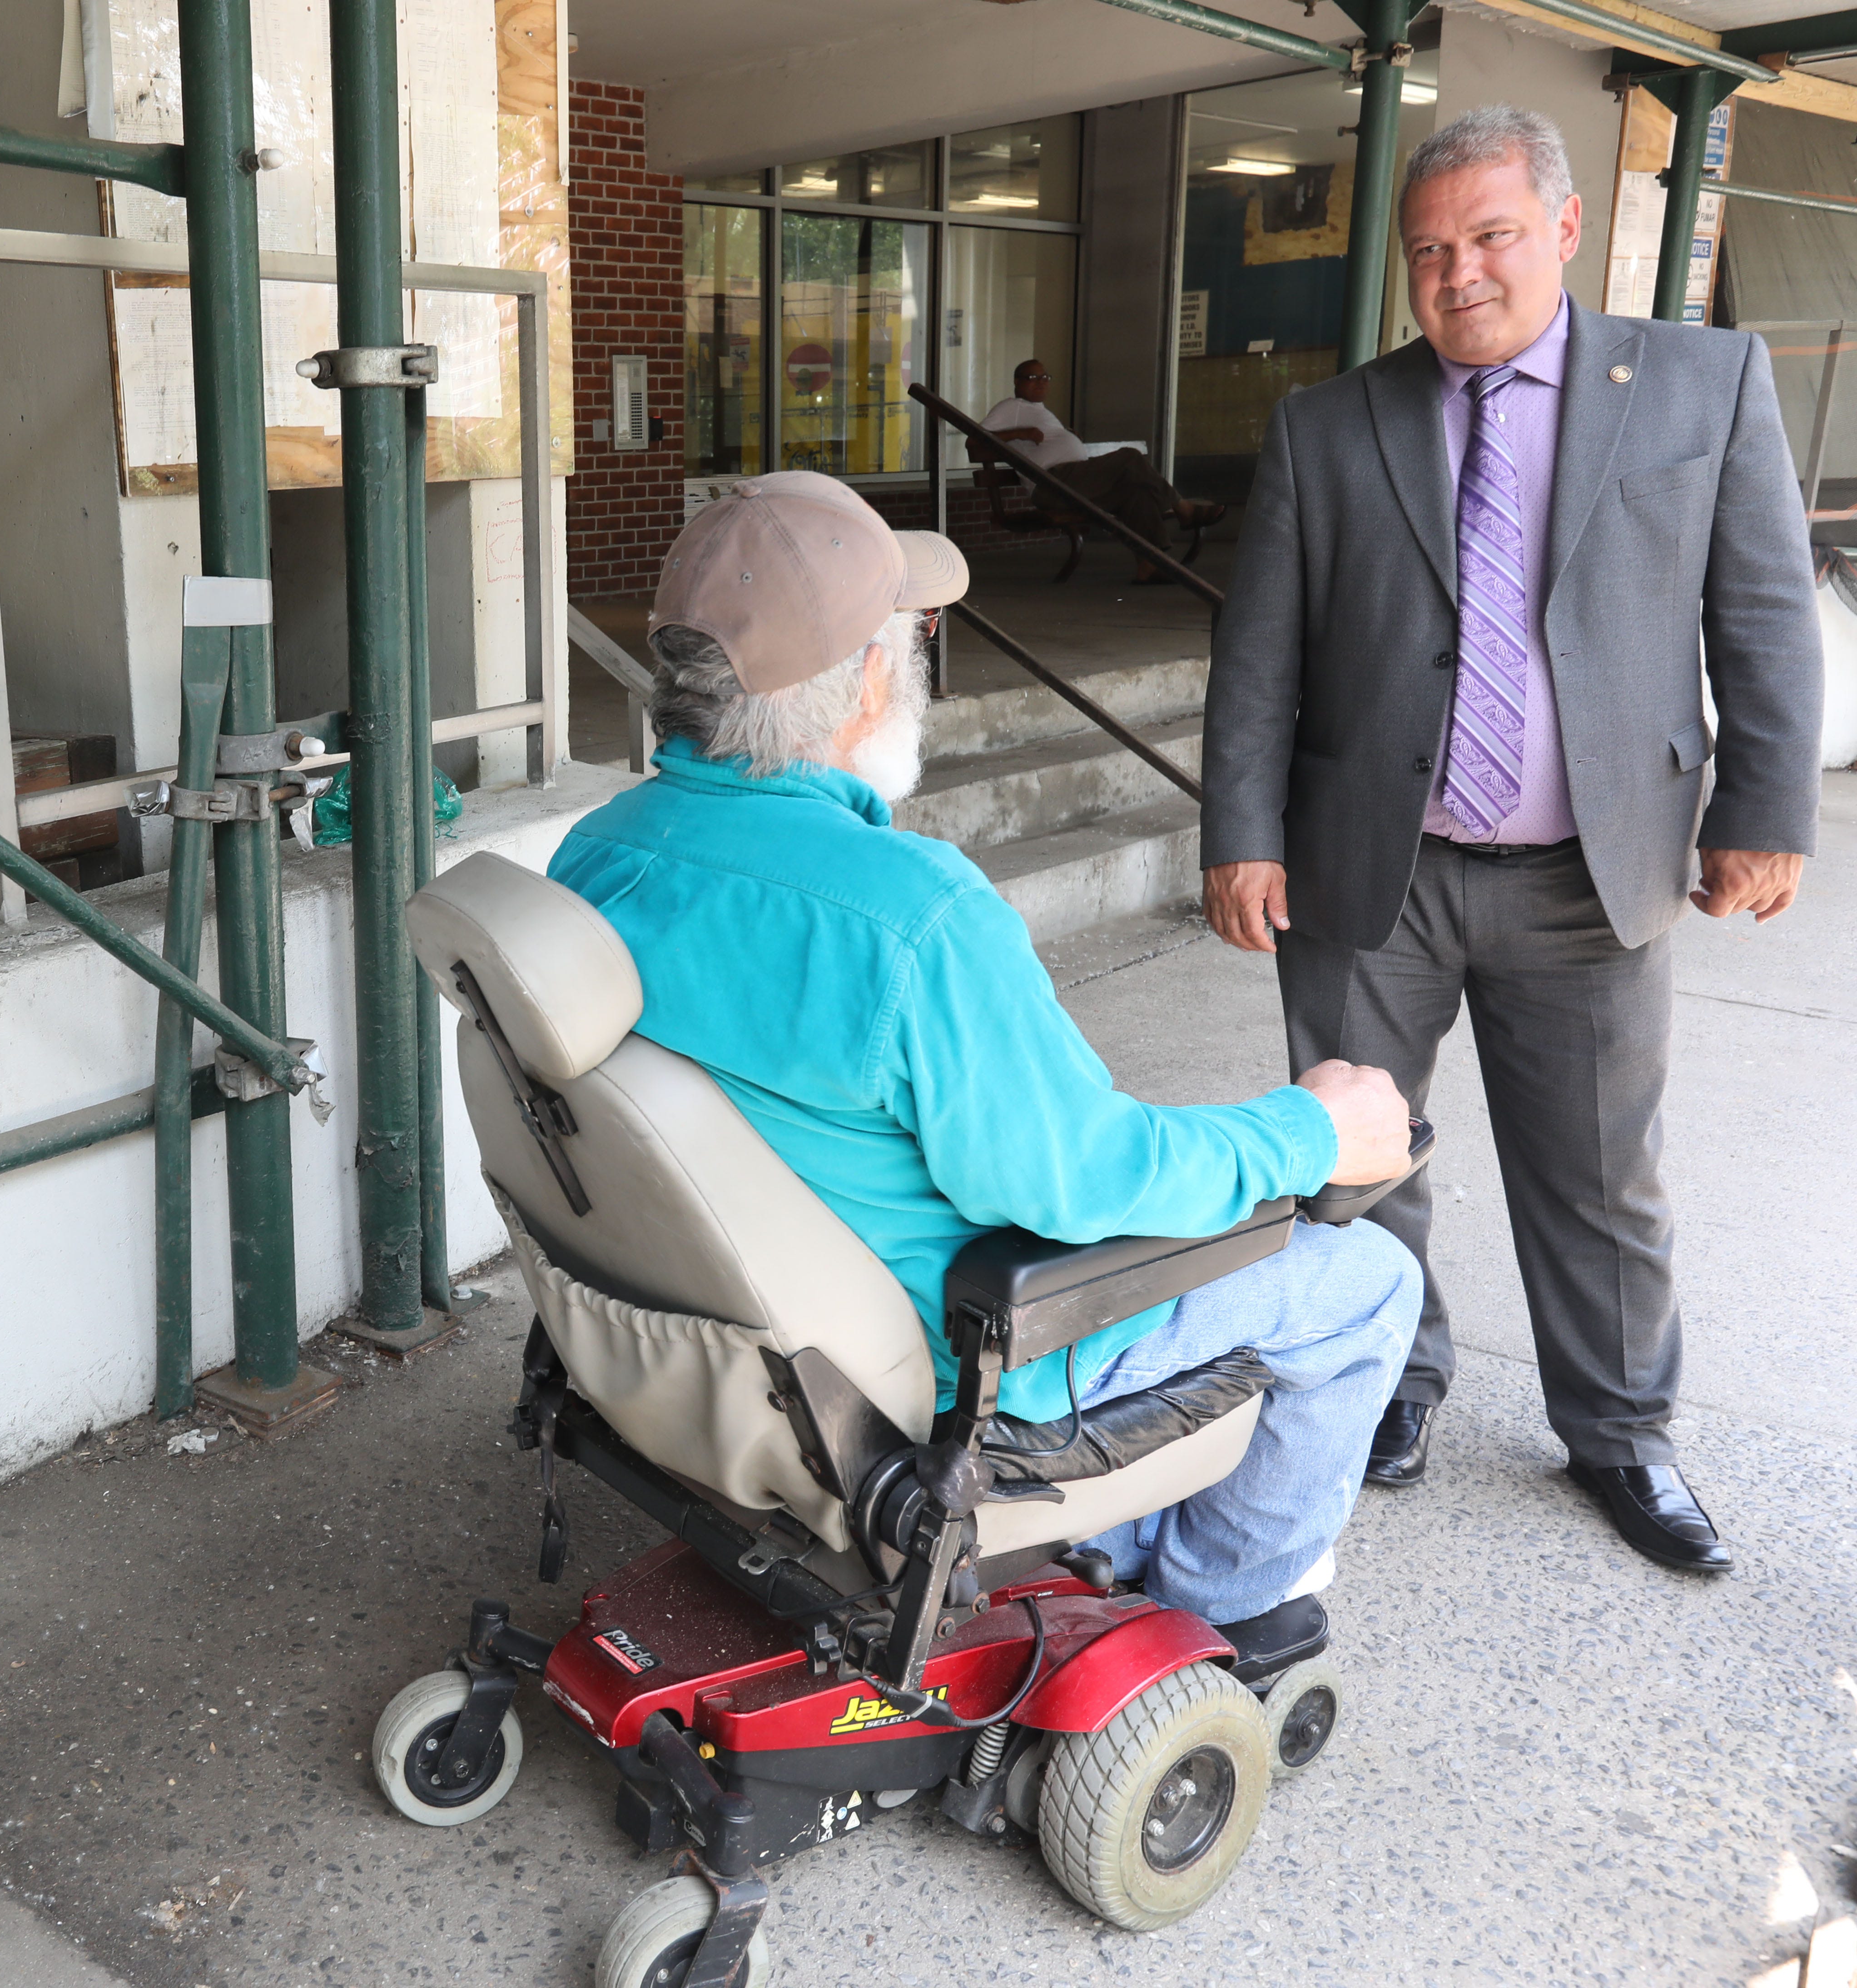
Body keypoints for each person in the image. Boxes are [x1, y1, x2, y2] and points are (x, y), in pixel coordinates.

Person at [548, 471, 1421, 1665]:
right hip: (964, 1352)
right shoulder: (911, 916)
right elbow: (1080, 1180)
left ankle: (1135, 1535)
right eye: (909, 638)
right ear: (869, 678)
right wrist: (1311, 1133)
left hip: (738, 1325)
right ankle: (1226, 1610)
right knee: (1363, 1276)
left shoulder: (603, 852)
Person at [1201, 106, 1824, 1574]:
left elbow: (1763, 611)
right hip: (1373, 867)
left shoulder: (1700, 380)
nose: (1457, 270)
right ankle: (1391, 1381)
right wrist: (1241, 827)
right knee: (1359, 1157)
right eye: (1429, 249)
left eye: (1487, 235)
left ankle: (1621, 1433)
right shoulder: (1329, 421)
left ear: (1559, 226)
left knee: (1602, 1169)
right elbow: (1261, 652)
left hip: (1589, 871)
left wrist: (1766, 810)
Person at [976, 358, 1225, 581]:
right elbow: (975, 439)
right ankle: (1184, 509)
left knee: (1136, 494)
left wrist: (1065, 436)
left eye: (1045, 377)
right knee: (1130, 457)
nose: (1041, 383)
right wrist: (1021, 433)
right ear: (1017, 383)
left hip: (1075, 482)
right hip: (1052, 484)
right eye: (1032, 378)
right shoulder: (1012, 406)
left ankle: (1149, 566)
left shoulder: (1040, 411)